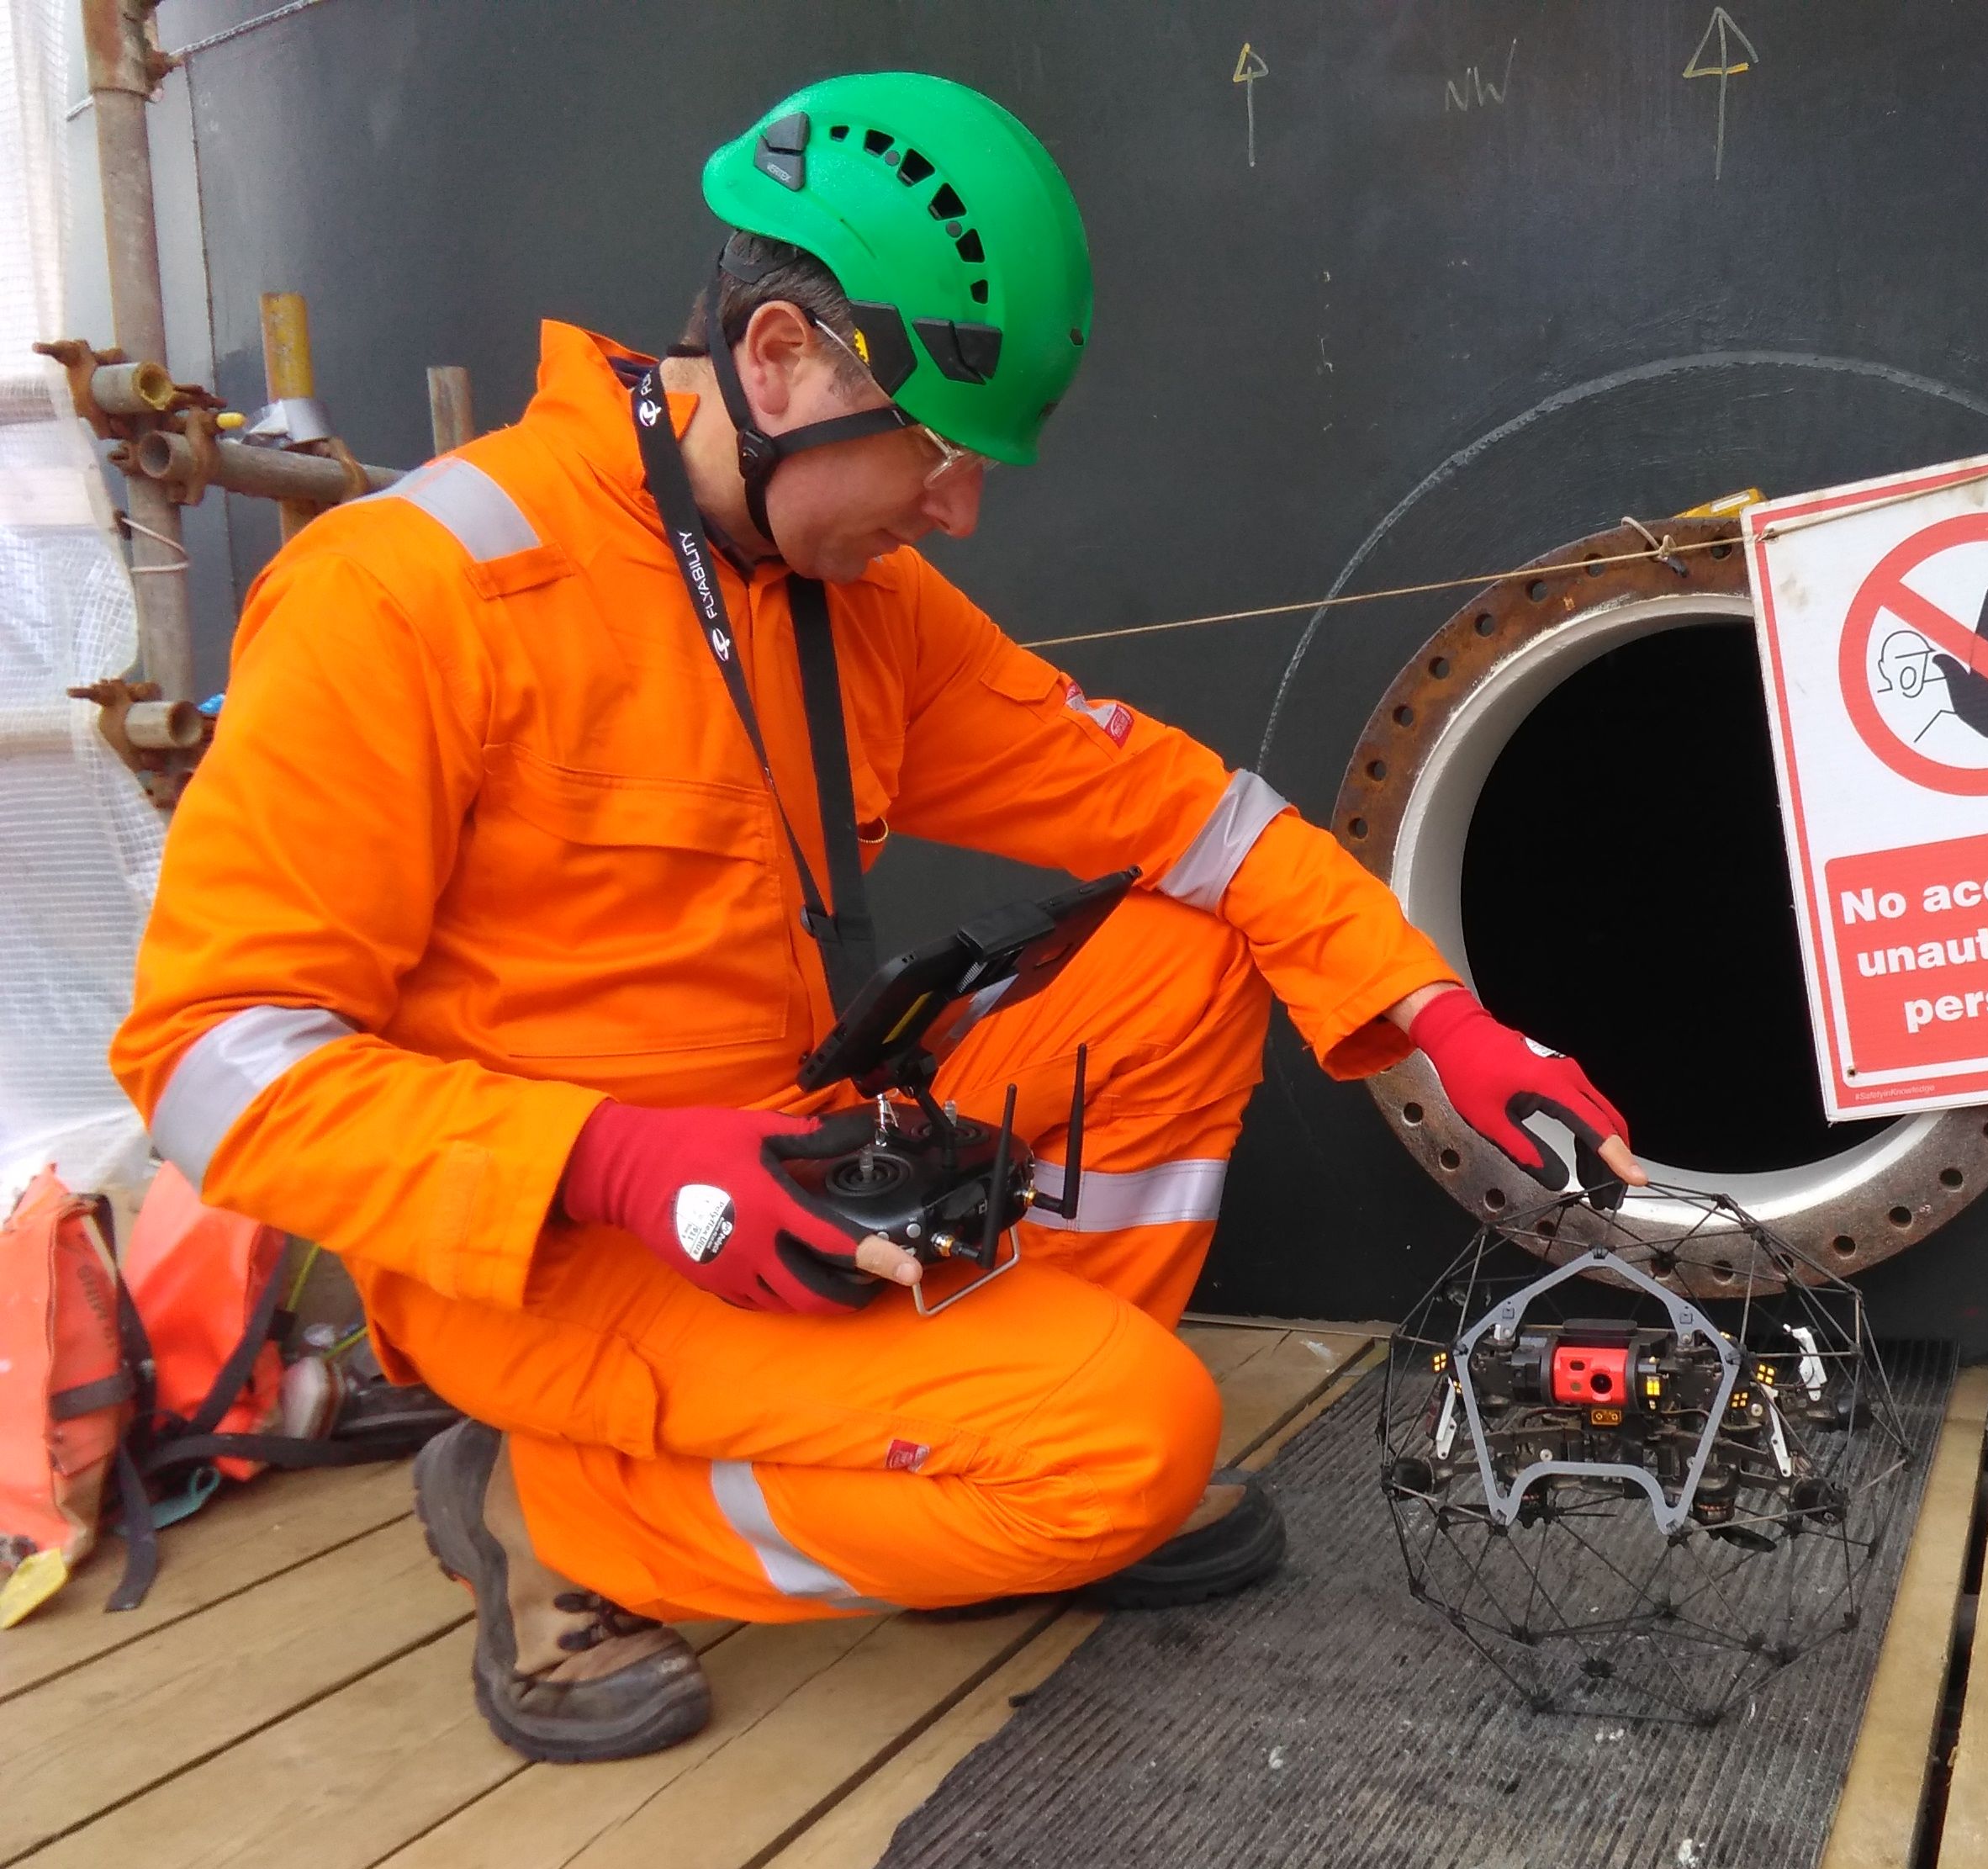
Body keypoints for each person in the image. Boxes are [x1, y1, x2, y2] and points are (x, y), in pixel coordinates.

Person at [109, 71, 1642, 1765]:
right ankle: (563, 1504)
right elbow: (210, 1059)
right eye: (932, 454)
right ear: (775, 362)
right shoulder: (411, 594)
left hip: (784, 1173)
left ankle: (975, 1438)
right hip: (550, 1249)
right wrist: (624, 1163)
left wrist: (1442, 1019)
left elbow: (1198, 820)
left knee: (1196, 947)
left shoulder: (857, 608)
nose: (962, 509)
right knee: (1136, 1444)